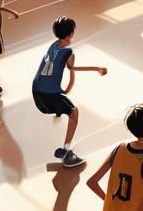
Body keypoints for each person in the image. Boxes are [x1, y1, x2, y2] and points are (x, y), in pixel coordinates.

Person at [32, 16, 108, 167]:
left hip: (36, 89)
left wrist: (66, 90)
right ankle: (66, 152)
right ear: (70, 34)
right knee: (74, 112)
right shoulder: (69, 52)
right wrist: (97, 69)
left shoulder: (54, 45)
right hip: (50, 93)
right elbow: (72, 70)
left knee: (61, 104)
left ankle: (59, 111)